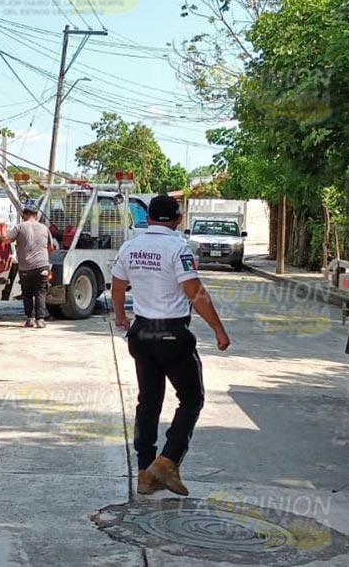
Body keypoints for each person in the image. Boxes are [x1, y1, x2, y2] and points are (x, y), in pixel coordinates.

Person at [110, 195, 230, 496]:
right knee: (191, 398)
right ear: (178, 219)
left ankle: (144, 472)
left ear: (148, 218)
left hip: (142, 334)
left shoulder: (130, 247)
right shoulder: (178, 248)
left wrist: (121, 316)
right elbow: (194, 292)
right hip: (172, 334)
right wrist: (218, 328)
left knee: (148, 402)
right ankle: (167, 460)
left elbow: (117, 286)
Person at [7, 202, 54, 328]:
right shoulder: (44, 228)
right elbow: (51, 247)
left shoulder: (19, 227)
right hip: (42, 266)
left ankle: (30, 319)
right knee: (41, 292)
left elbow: (6, 239)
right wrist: (45, 258)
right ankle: (40, 320)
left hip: (25, 267)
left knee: (27, 293)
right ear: (36, 216)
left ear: (24, 216)